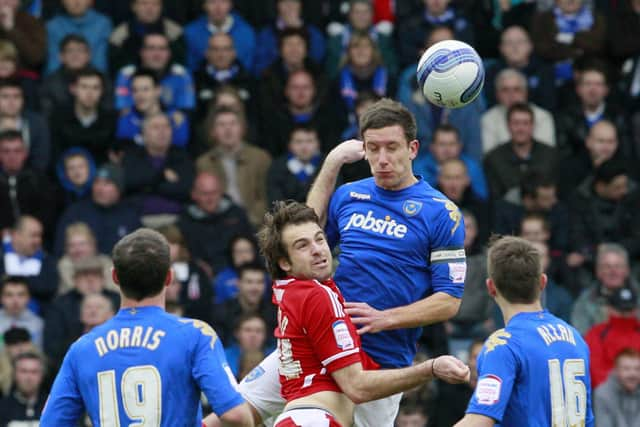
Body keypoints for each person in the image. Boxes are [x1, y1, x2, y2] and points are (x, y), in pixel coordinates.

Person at [239, 98, 467, 426]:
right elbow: (303, 235)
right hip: (318, 341)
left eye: (392, 147)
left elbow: (448, 302)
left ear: (413, 148)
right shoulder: (349, 195)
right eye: (373, 149)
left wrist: (385, 318)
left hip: (381, 359)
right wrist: (332, 163)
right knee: (233, 412)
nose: (382, 159)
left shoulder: (441, 213)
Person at [222, 201, 469, 427]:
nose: (318, 249)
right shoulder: (318, 295)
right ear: (285, 262)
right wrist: (431, 368)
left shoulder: (291, 290)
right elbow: (357, 387)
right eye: (303, 246)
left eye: (320, 239)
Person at [40, 228, 253, 426]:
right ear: (169, 277)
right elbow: (236, 415)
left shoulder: (82, 348)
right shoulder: (195, 335)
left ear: (114, 277)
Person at [454, 236, 594, 427]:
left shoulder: (504, 344)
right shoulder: (575, 338)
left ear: (491, 287)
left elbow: (479, 420)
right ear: (543, 282)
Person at [594, 348, 640, 427]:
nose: (633, 374)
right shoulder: (602, 394)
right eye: (626, 369)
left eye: (637, 369)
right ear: (616, 370)